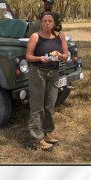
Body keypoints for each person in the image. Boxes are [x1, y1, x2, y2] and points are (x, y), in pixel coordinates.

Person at [26, 12, 68, 150]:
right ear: (41, 23)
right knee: (37, 106)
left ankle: (47, 132)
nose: (47, 23)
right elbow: (28, 56)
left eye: (50, 21)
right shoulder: (35, 36)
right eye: (45, 21)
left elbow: (66, 55)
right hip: (38, 73)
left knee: (50, 105)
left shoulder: (60, 36)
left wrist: (61, 56)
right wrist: (39, 58)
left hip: (54, 73)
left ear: (54, 23)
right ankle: (37, 139)